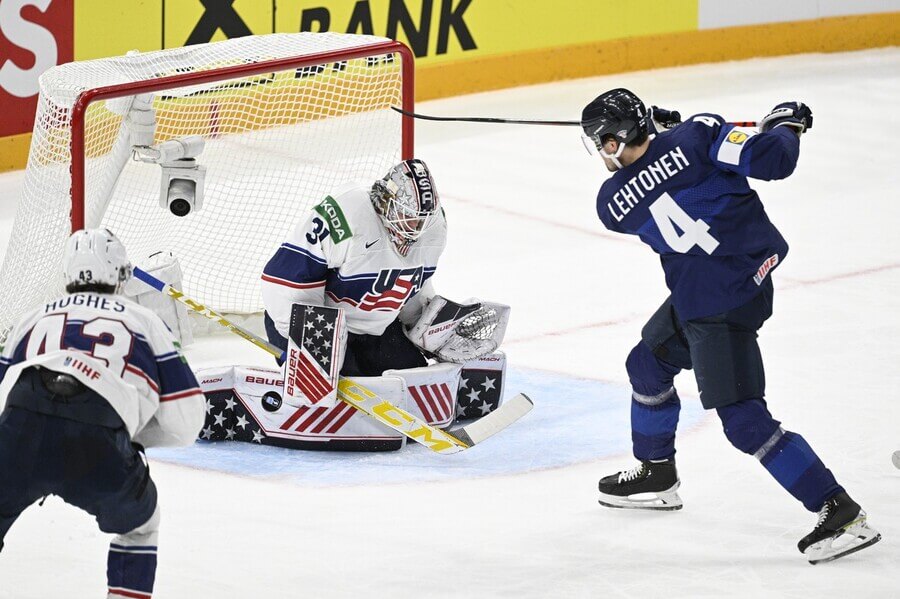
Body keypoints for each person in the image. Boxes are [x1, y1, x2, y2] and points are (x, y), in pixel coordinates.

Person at [581, 88, 880, 564]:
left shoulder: (611, 203)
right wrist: (787, 124)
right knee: (647, 363)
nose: (600, 153)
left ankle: (837, 509)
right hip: (721, 287)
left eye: (601, 143)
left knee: (743, 420)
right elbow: (774, 160)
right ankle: (658, 472)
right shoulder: (698, 136)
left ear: (615, 142)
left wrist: (663, 137)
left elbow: (654, 177)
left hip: (720, 307)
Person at [0, 229, 205, 597]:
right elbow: (186, 421)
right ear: (120, 273)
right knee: (141, 528)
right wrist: (129, 433)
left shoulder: (31, 319)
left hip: (21, 425)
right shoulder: (145, 321)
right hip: (97, 437)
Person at [261, 158, 446, 376]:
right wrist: (313, 343)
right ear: (387, 201)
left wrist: (429, 328)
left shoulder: (433, 229)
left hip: (373, 331)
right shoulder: (348, 214)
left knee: (415, 381)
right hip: (308, 321)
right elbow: (286, 281)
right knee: (335, 393)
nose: (415, 228)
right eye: (408, 215)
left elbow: (413, 285)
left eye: (422, 219)